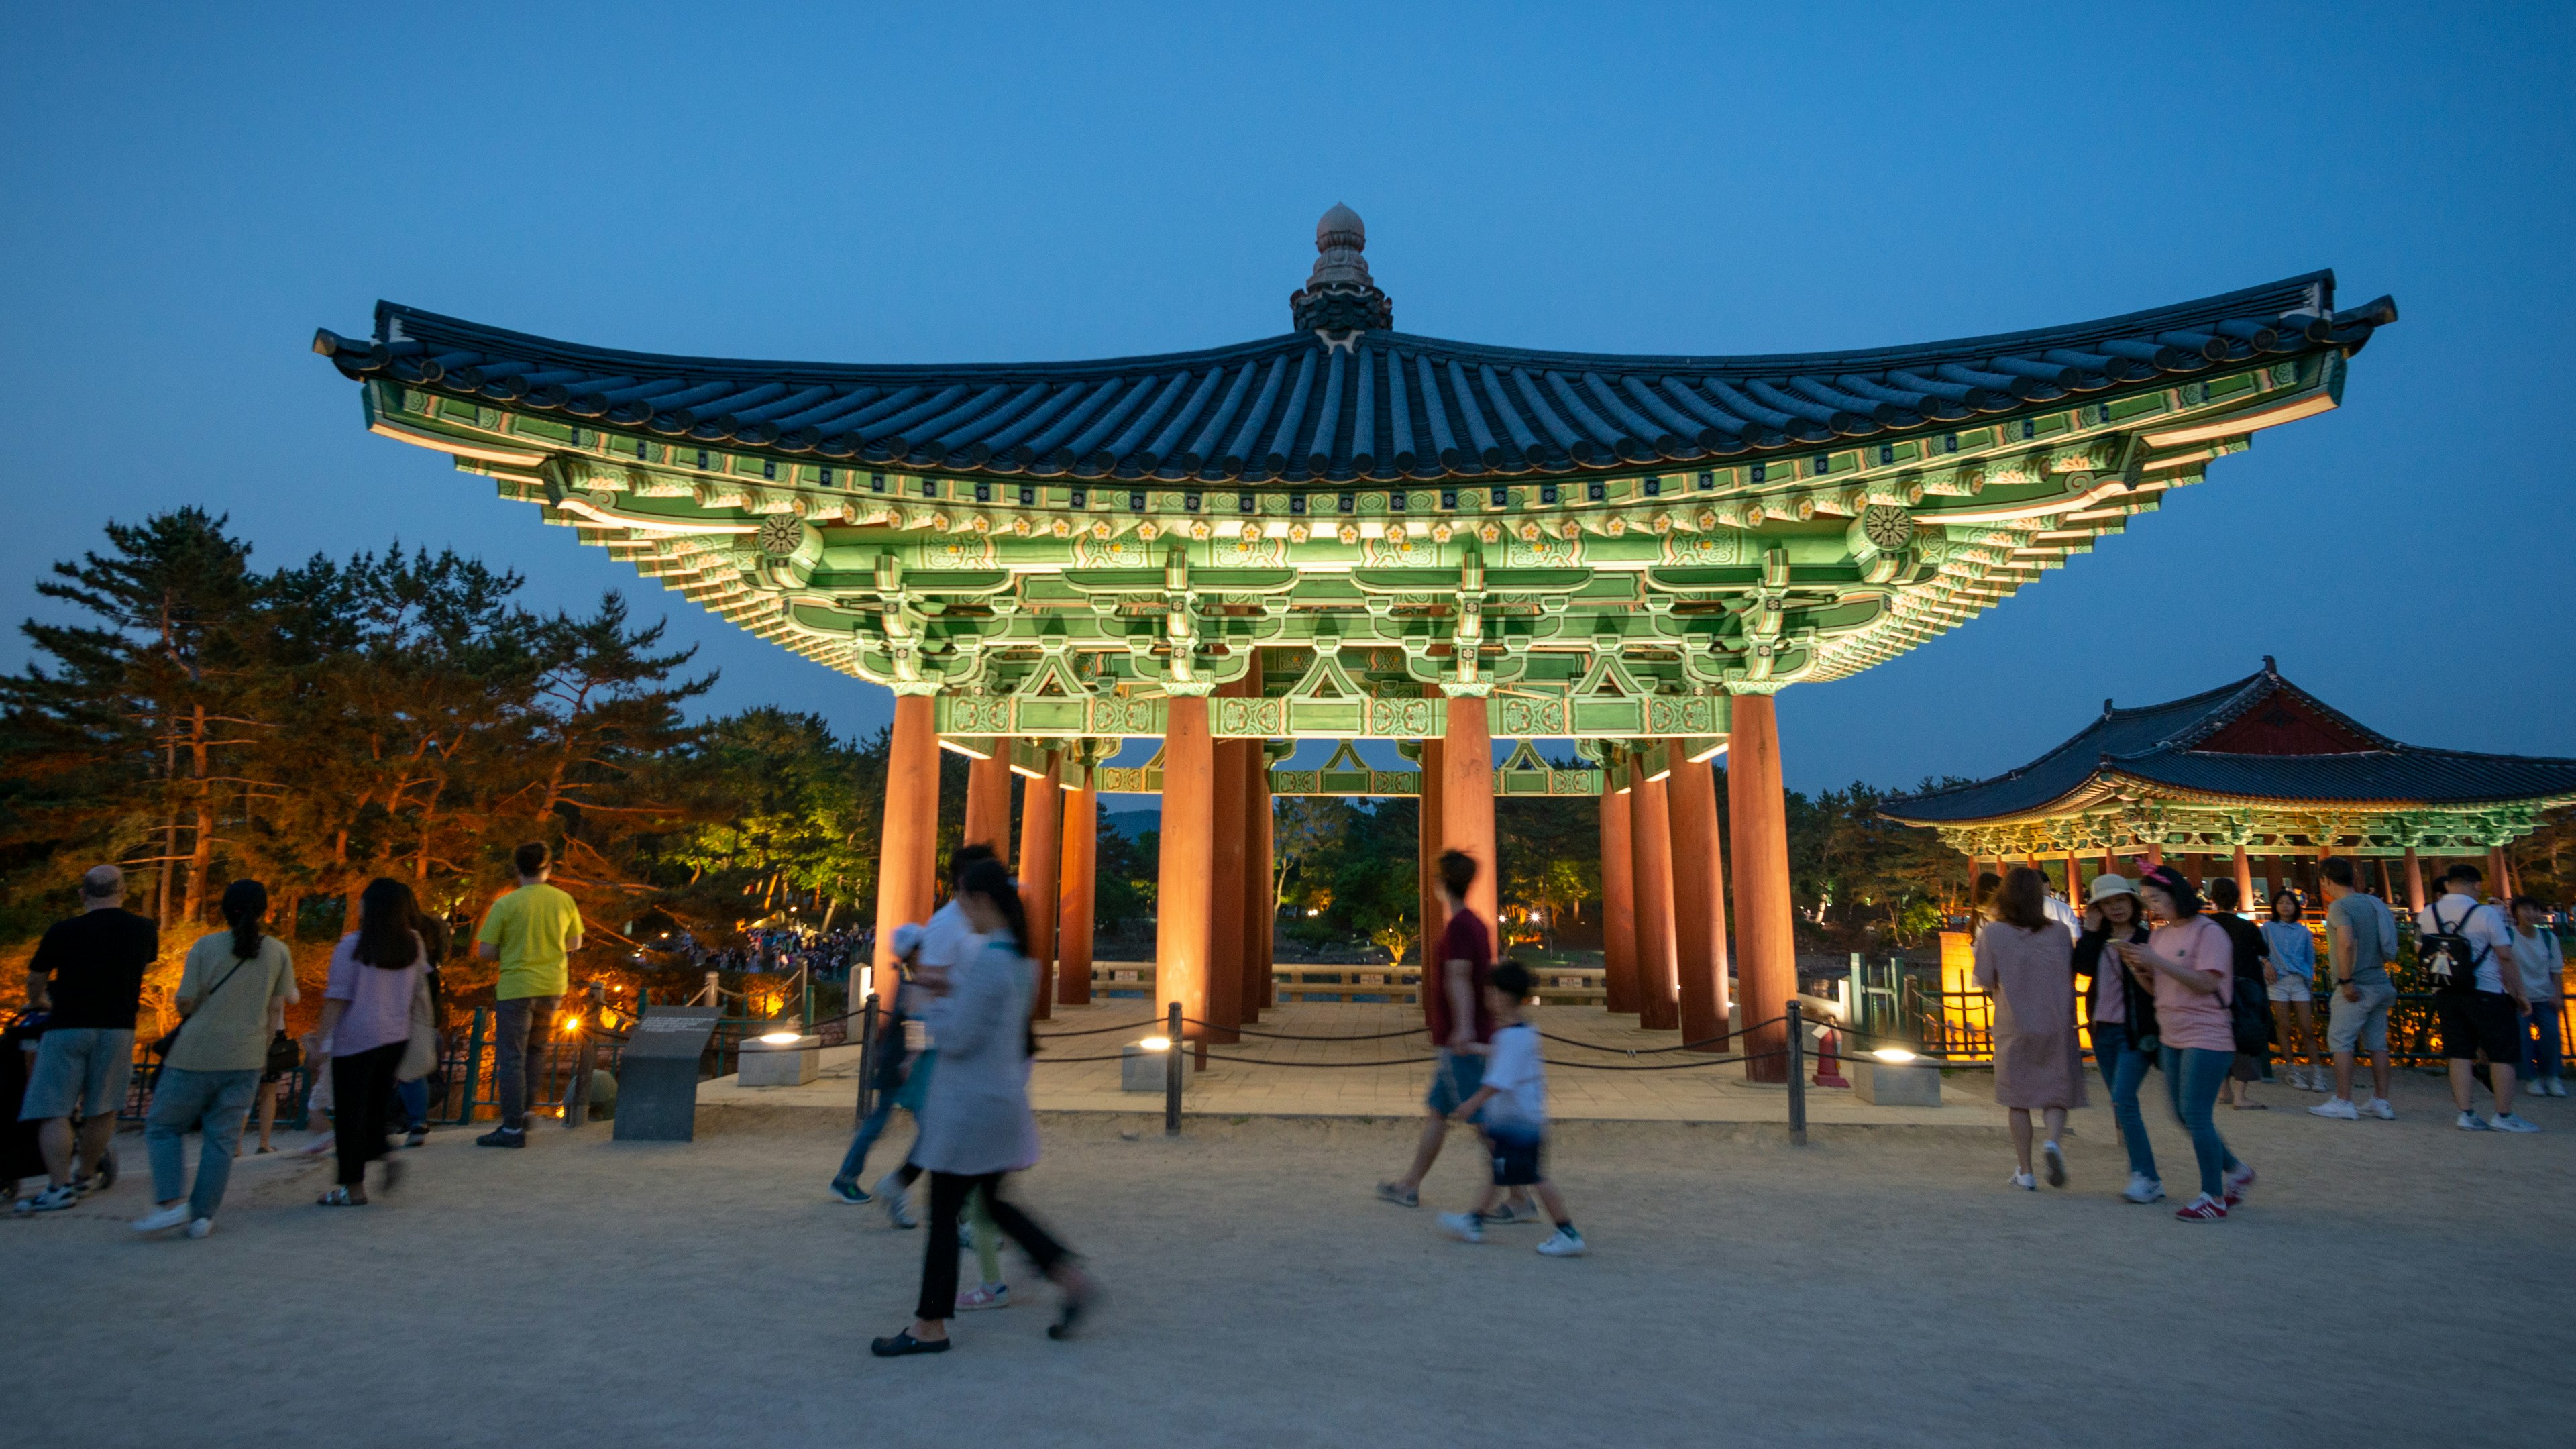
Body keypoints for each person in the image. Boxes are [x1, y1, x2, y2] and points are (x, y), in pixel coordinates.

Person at [870, 859, 1098, 1356]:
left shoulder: (990, 961)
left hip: (969, 1107)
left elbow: (958, 1038)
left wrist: (932, 1007)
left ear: (983, 901)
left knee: (945, 1212)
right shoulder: (1020, 960)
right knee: (997, 1206)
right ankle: (1071, 1278)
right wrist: (952, 991)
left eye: (964, 899)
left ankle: (929, 1326)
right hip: (1000, 1101)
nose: (961, 909)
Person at [1375, 851, 1536, 1222]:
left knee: (1484, 1124)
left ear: (1442, 883)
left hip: (1462, 1040)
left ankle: (1520, 1195)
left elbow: (1460, 977)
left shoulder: (1461, 927)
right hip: (1462, 1036)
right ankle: (1409, 1185)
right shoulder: (1474, 924)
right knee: (1438, 1112)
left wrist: (1462, 1029)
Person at [135, 879, 297, 1238]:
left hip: (195, 1053)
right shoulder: (278, 952)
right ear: (265, 911)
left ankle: (170, 1205)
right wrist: (263, 1049)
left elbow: (185, 1001)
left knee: (164, 1127)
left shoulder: (205, 947)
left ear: (224, 910)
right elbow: (277, 1008)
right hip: (247, 1057)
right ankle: (202, 1217)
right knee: (222, 1140)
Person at [13, 865, 156, 1215]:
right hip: (118, 1027)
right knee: (103, 1107)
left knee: (54, 1109)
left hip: (68, 1026)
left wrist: (40, 1002)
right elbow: (143, 967)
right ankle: (87, 1175)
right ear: (124, 891)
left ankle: (59, 1187)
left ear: (83, 894)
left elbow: (36, 978)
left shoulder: (64, 931)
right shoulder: (143, 929)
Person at [2114, 865, 2255, 1222]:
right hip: (2171, 1032)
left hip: (2207, 1032)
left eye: (2156, 898)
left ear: (2176, 895)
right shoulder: (2159, 937)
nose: (2152, 906)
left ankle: (2213, 1195)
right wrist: (2139, 969)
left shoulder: (2208, 932)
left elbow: (2206, 983)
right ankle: (2236, 1171)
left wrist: (2155, 960)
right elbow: (2158, 989)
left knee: (2195, 1113)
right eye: (2146, 900)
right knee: (2180, 1113)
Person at [871, 844, 997, 1222]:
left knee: (947, 1133)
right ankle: (960, 1217)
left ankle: (900, 1187)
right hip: (947, 1048)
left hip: (966, 1044)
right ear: (966, 880)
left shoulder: (974, 919)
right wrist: (914, 1055)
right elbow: (923, 999)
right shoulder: (944, 927)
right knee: (956, 1134)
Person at [1435, 959, 1586, 1256]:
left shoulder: (1509, 1037)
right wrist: (1477, 1048)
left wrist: (1471, 1104)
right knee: (1498, 1173)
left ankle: (1567, 1230)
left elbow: (1498, 1081)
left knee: (1535, 1177)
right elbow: (1504, 1058)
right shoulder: (1524, 1032)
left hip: (1519, 1123)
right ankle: (1474, 1221)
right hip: (1520, 1121)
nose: (1488, 997)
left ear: (1504, 996)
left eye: (1491, 992)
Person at [316, 878, 431, 1205]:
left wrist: (319, 1042)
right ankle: (387, 1155)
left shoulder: (351, 945)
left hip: (355, 1041)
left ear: (371, 907)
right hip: (395, 1038)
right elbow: (417, 989)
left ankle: (353, 1189)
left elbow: (337, 998)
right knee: (375, 1108)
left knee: (351, 1115)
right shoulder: (413, 944)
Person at [1974, 867, 2086, 1190]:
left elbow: (1984, 979)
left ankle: (2026, 1171)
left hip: (2014, 1022)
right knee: (2055, 1092)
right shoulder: (2060, 933)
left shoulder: (1994, 933)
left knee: (2018, 1099)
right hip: (2056, 1021)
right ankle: (2052, 1141)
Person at [474, 842, 584, 1148]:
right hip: (552, 985)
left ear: (517, 870)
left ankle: (510, 1129)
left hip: (516, 987)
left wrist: (513, 950)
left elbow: (486, 950)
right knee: (536, 1051)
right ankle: (525, 1114)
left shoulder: (506, 904)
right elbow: (574, 942)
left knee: (511, 1057)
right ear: (549, 868)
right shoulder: (564, 901)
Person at [2418, 864, 2536, 1132]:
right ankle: (2503, 1115)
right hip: (2485, 989)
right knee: (2500, 1053)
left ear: (2448, 884)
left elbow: (2420, 949)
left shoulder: (2428, 913)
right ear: (2477, 885)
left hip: (2446, 991)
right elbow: (2505, 955)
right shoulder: (2485, 913)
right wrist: (2519, 993)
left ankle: (2466, 1112)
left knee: (2458, 1053)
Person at [2075, 874, 2163, 1203]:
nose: (2115, 908)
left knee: (2124, 1100)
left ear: (2133, 904)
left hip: (2136, 1031)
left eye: (2120, 901)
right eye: (2107, 903)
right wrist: (2090, 929)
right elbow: (2081, 968)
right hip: (2102, 1029)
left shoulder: (2147, 940)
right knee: (2120, 1102)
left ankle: (2146, 1176)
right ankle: (2145, 1174)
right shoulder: (2096, 940)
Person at [2310, 858, 2398, 1121]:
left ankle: (2344, 1100)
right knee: (2378, 1044)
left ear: (2325, 880)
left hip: (2356, 985)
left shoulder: (2340, 907)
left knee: (2341, 1042)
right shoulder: (2373, 903)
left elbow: (2346, 942)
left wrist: (2346, 980)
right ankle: (2381, 1101)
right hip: (2380, 981)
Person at [2204, 878, 2273, 1110]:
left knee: (2219, 1038)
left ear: (2213, 898)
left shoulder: (2206, 924)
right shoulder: (2246, 927)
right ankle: (2240, 1096)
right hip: (2244, 988)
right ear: (2237, 900)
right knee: (2244, 1039)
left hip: (2215, 986)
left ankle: (2223, 1090)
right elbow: (2263, 949)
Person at [2261, 891, 2322, 1091]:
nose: (2285, 906)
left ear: (2296, 907)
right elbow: (2260, 951)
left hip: (2299, 981)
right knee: (2284, 1027)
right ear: (2275, 906)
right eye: (2281, 902)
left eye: (2289, 903)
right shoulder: (2268, 928)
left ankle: (2317, 1073)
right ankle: (2292, 1071)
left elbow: (2309, 959)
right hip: (2277, 981)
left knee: (2307, 1029)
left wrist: (2309, 984)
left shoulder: (2304, 932)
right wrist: (2265, 962)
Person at [2508, 896, 2565, 1097]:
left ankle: (2551, 1075)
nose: (2531, 914)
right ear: (2515, 913)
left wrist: (2557, 995)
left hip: (2544, 995)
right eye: (2525, 910)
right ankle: (2531, 1078)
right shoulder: (2509, 937)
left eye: (2535, 910)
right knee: (2523, 1037)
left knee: (2551, 1035)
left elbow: (2556, 970)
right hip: (2519, 998)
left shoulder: (2549, 938)